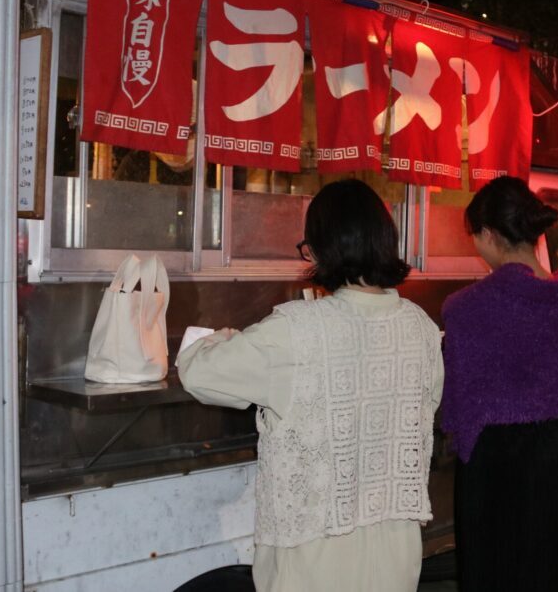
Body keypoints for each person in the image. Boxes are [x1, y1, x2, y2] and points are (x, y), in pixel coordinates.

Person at [177, 179, 443, 592]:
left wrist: (220, 337)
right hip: (395, 560)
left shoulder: (295, 331)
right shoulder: (421, 327)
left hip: (314, 563)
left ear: (321, 250)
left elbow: (198, 373)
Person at [441, 176, 558, 592]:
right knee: (544, 559)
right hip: (551, 452)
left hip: (490, 455)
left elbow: (458, 400)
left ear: (489, 234)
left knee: (490, 564)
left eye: (475, 236)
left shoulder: (465, 309)